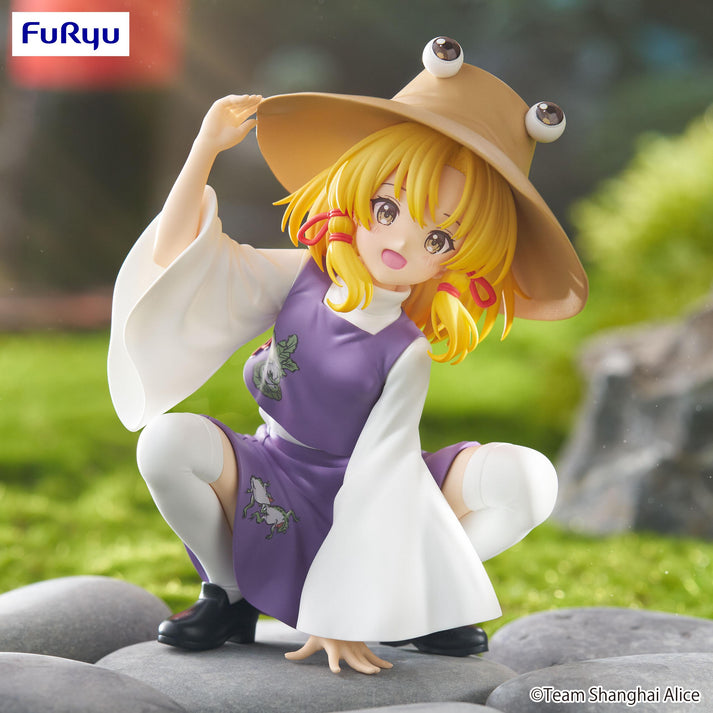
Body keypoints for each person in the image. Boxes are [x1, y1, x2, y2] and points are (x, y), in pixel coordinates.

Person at [108, 37, 588, 675]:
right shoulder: (299, 277)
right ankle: (228, 593)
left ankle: (420, 603)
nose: (400, 241)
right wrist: (205, 149)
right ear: (356, 193)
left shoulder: (406, 350)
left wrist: (349, 610)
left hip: (371, 493)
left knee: (528, 478)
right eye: (387, 208)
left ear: (462, 259)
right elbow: (178, 261)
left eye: (438, 238)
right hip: (272, 474)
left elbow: (383, 471)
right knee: (167, 443)